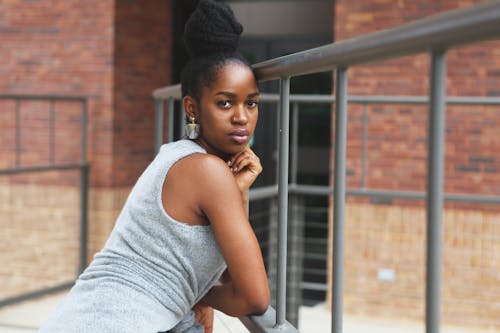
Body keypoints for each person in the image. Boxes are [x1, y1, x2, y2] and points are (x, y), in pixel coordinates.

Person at [38, 0, 269, 332]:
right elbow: (255, 299)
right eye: (224, 102)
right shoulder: (208, 171)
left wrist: (237, 194)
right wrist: (199, 294)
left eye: (252, 103)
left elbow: (232, 272)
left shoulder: (175, 155)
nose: (242, 117)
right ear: (192, 107)